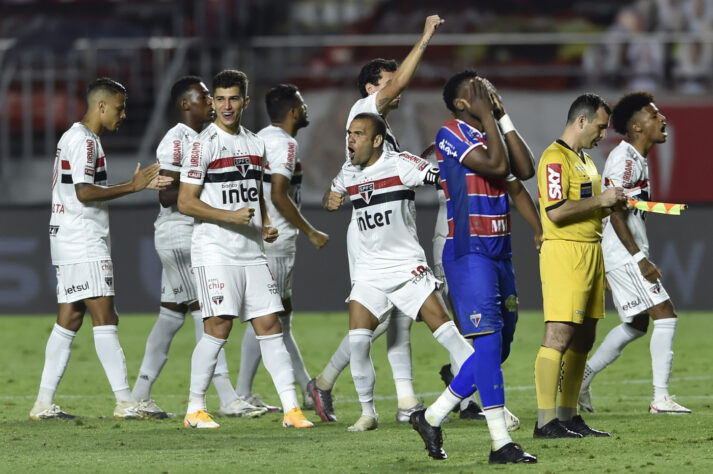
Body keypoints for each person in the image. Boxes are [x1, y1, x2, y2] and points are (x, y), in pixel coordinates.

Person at [308, 14, 445, 425]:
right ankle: (331, 381)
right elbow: (401, 82)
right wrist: (424, 37)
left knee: (396, 318)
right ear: (371, 88)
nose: (396, 85)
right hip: (376, 240)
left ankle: (404, 403)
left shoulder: (382, 131)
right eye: (387, 80)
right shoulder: (366, 108)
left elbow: (367, 172)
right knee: (381, 316)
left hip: (392, 231)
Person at [409, 74, 538, 464]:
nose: (488, 92)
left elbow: (525, 170)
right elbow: (498, 167)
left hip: (499, 252)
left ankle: (430, 417)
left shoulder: (490, 132)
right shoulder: (451, 132)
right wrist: (487, 115)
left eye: (489, 87)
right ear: (462, 103)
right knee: (487, 342)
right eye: (478, 90)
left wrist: (503, 116)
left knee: (500, 345)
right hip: (469, 252)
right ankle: (501, 443)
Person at [178, 69, 313, 429]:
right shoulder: (202, 144)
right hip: (215, 251)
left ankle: (291, 410)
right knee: (218, 328)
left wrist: (265, 222)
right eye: (219, 98)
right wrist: (230, 216)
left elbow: (257, 194)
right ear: (212, 103)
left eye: (233, 98)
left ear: (245, 102)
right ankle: (194, 409)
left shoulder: (256, 144)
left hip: (251, 251)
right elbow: (185, 202)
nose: (226, 105)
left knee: (270, 325)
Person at [324, 112, 475, 433]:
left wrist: (462, 169)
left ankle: (494, 404)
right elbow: (330, 195)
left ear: (377, 140)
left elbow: (440, 176)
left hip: (407, 267)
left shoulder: (401, 164)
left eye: (359, 134)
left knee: (452, 338)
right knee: (359, 342)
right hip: (369, 272)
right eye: (349, 133)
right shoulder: (348, 171)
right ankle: (368, 414)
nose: (351, 140)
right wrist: (331, 199)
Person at [31, 77, 171, 420]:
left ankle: (42, 403)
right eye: (120, 108)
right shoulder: (84, 142)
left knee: (70, 317)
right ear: (102, 105)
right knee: (106, 317)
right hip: (82, 239)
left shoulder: (79, 138)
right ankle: (125, 401)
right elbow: (84, 192)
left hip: (68, 236)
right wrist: (132, 186)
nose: (122, 115)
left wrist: (136, 185)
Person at [131, 76, 266, 419]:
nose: (212, 102)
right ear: (185, 104)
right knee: (207, 313)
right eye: (204, 96)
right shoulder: (177, 139)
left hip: (188, 234)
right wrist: (206, 191)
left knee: (170, 316)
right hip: (180, 234)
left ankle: (137, 398)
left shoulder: (204, 138)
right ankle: (226, 397)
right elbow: (166, 192)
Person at [578, 92, 691, 415]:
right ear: (638, 127)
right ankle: (661, 398)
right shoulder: (624, 159)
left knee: (636, 324)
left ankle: (582, 378)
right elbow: (613, 211)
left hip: (624, 253)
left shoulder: (637, 160)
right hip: (624, 254)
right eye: (654, 116)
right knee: (666, 316)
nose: (662, 119)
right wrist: (638, 259)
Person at [533, 93, 628, 439]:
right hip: (565, 253)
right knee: (559, 334)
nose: (603, 135)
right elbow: (556, 211)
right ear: (581, 121)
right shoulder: (555, 158)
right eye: (601, 127)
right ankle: (545, 422)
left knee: (584, 337)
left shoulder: (586, 161)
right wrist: (601, 199)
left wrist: (610, 204)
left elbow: (588, 205)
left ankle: (568, 415)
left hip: (591, 251)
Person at [235, 84, 329, 411]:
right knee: (268, 316)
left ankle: (306, 387)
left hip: (261, 238)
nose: (306, 109)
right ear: (292, 111)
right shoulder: (285, 145)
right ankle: (244, 393)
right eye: (302, 104)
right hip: (276, 242)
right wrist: (311, 231)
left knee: (279, 318)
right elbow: (278, 195)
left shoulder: (259, 138)